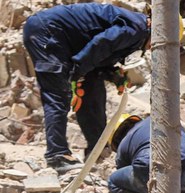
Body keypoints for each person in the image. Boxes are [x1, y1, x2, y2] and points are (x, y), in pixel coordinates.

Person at [22, 4, 154, 173]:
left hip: (70, 42)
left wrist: (112, 73)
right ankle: (57, 155)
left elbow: (99, 54)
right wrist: (75, 75)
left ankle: (97, 151)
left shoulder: (138, 31)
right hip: (47, 32)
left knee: (93, 89)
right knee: (58, 94)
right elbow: (102, 43)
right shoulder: (137, 29)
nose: (151, 48)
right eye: (155, 44)